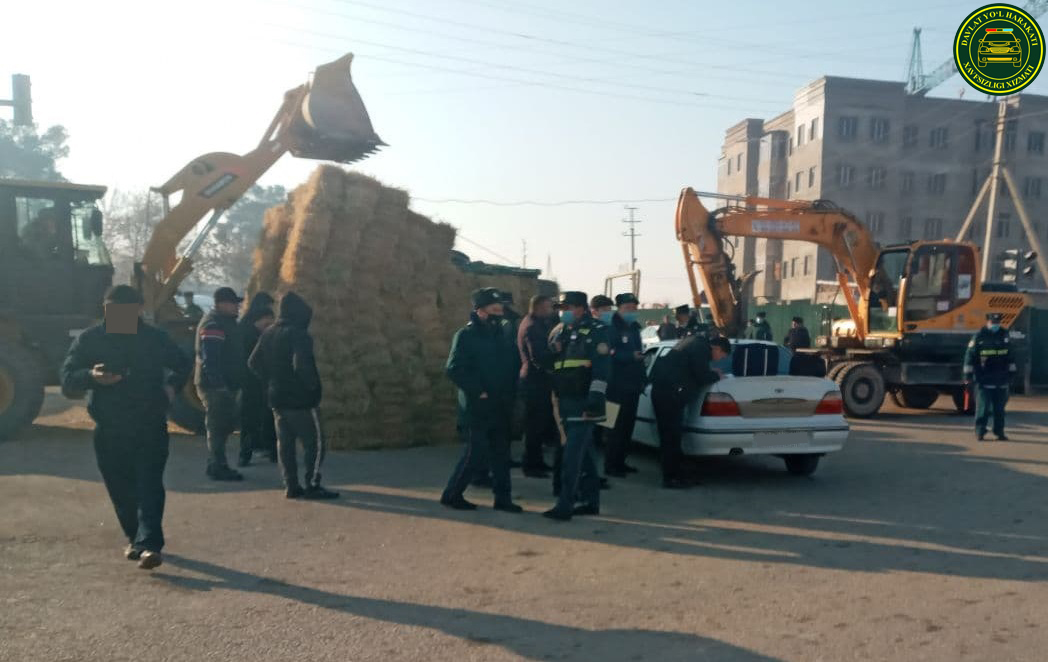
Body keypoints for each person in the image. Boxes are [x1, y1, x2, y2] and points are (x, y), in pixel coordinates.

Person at [60, 285, 192, 570]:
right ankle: (135, 538)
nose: (119, 316)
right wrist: (92, 376)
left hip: (149, 423)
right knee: (119, 487)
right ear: (105, 310)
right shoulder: (91, 339)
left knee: (149, 483)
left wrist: (172, 386)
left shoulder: (154, 339)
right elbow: (67, 379)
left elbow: (182, 363)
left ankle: (150, 544)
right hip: (110, 426)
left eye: (125, 311)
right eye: (113, 311)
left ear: (138, 310)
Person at [248, 292, 339, 499]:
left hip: (277, 399)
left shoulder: (268, 333)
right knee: (315, 444)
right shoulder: (299, 334)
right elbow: (302, 365)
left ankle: (291, 485)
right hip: (301, 401)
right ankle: (312, 484)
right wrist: (312, 389)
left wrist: (271, 379)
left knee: (285, 444)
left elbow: (253, 362)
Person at [440, 288, 523, 512]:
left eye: (500, 309)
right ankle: (452, 494)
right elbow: (454, 369)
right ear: (480, 311)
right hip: (478, 405)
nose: (499, 313)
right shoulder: (466, 335)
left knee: (501, 454)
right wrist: (478, 391)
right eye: (494, 309)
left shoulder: (501, 335)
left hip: (501, 403)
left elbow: (511, 364)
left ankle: (503, 499)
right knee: (475, 453)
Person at [543, 291, 611, 521]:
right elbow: (551, 363)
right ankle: (591, 502)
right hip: (565, 398)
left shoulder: (597, 331)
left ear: (581, 308)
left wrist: (595, 400)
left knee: (571, 455)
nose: (564, 312)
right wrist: (553, 350)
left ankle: (565, 504)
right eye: (561, 308)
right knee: (586, 454)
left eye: (568, 308)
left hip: (585, 401)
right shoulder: (560, 331)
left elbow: (602, 370)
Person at [650, 335, 729, 489]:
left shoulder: (695, 343)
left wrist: (709, 371)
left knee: (672, 438)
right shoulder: (701, 348)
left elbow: (691, 368)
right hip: (669, 396)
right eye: (722, 356)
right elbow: (701, 376)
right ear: (717, 348)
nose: (719, 360)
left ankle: (677, 475)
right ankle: (671, 478)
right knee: (671, 438)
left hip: (666, 392)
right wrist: (716, 375)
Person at [196, 287, 245, 481]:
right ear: (221, 304)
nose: (237, 307)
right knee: (217, 427)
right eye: (234, 304)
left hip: (225, 385)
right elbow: (211, 360)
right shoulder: (213, 324)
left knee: (223, 426)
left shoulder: (226, 323)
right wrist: (219, 385)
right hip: (216, 387)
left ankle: (216, 463)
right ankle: (218, 465)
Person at [604, 292, 645, 478]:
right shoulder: (611, 327)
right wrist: (629, 356)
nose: (631, 311)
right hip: (614, 386)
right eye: (628, 308)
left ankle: (621, 461)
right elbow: (608, 352)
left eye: (634, 308)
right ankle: (611, 464)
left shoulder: (634, 327)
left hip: (632, 385)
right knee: (613, 427)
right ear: (619, 309)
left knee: (627, 426)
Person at [517, 294, 558, 478]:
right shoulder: (532, 327)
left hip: (539, 380)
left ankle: (537, 461)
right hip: (535, 381)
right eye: (548, 307)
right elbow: (538, 357)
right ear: (540, 307)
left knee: (540, 425)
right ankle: (531, 465)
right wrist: (555, 351)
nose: (551, 310)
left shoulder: (539, 324)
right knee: (534, 426)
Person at [237, 292, 277, 467]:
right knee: (253, 418)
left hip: (258, 382)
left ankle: (266, 449)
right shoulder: (249, 333)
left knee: (262, 417)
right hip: (252, 382)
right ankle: (248, 452)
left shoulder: (248, 328)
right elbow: (251, 360)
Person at [964, 312, 1016, 442]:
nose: (995, 325)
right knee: (983, 408)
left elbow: (1011, 356)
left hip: (1001, 378)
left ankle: (999, 432)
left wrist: (1012, 374)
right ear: (988, 322)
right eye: (993, 323)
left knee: (1000, 410)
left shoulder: (1004, 334)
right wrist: (968, 376)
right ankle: (980, 432)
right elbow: (970, 356)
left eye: (997, 323)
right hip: (983, 378)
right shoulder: (979, 336)